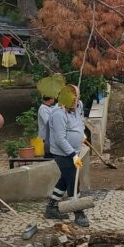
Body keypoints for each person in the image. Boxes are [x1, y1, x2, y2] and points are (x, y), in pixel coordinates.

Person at [40, 86, 90, 231]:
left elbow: (79, 122)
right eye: (72, 98)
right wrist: (73, 155)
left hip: (74, 151)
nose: (76, 101)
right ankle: (78, 212)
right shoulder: (58, 114)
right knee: (73, 181)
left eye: (77, 97)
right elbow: (60, 139)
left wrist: (82, 134)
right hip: (63, 154)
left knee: (65, 178)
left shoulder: (77, 107)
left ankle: (51, 208)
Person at [37, 94, 56, 159]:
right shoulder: (43, 108)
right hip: (47, 135)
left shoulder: (50, 107)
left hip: (51, 134)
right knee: (49, 151)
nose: (54, 99)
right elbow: (48, 122)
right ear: (50, 99)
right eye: (53, 98)